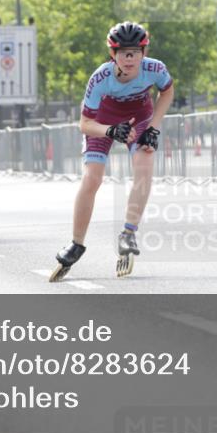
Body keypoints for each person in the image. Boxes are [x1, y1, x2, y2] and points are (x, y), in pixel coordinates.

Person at [50, 21, 174, 281]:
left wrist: (153, 127)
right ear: (112, 55)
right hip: (102, 121)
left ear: (144, 52)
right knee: (92, 177)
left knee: (144, 164)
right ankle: (76, 243)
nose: (129, 59)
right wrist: (109, 131)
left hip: (139, 117)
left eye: (134, 53)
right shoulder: (100, 78)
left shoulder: (155, 69)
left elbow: (167, 92)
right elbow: (84, 124)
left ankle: (128, 233)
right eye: (122, 53)